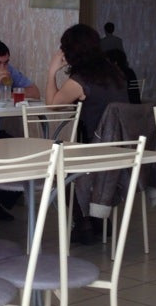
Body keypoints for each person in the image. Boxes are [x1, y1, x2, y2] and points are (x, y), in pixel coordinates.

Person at [47, 24, 129, 242]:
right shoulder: (115, 73)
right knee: (71, 160)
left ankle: (83, 221)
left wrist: (52, 71)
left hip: (98, 149)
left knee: (59, 169)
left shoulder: (81, 80)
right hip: (122, 149)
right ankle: (97, 219)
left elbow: (52, 105)